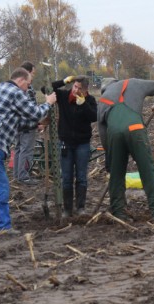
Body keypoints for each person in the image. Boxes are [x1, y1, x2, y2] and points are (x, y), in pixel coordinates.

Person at [0, 67, 57, 234]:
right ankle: (1, 226)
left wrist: (35, 126)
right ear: (21, 81)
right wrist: (48, 103)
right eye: (28, 85)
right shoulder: (15, 92)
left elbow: (15, 122)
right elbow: (35, 113)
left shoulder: (1, 90)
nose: (28, 89)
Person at [98, 78, 154, 223]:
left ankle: (119, 213)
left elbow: (103, 133)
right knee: (148, 170)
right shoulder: (133, 83)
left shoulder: (102, 100)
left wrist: (110, 157)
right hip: (135, 129)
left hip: (114, 134)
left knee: (116, 175)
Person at [50, 75, 98, 217]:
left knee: (81, 176)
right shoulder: (64, 96)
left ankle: (81, 208)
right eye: (74, 86)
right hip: (65, 143)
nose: (75, 90)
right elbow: (46, 89)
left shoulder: (90, 100)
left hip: (82, 144)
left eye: (79, 88)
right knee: (66, 177)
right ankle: (67, 209)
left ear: (85, 90)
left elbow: (94, 117)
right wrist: (64, 81)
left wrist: (83, 104)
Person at [13, 61, 40, 185]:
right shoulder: (26, 88)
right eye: (32, 73)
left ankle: (17, 174)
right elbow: (30, 109)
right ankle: (24, 176)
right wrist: (38, 120)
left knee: (19, 148)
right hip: (27, 125)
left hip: (17, 124)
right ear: (27, 73)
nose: (33, 76)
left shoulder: (15, 87)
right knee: (26, 150)